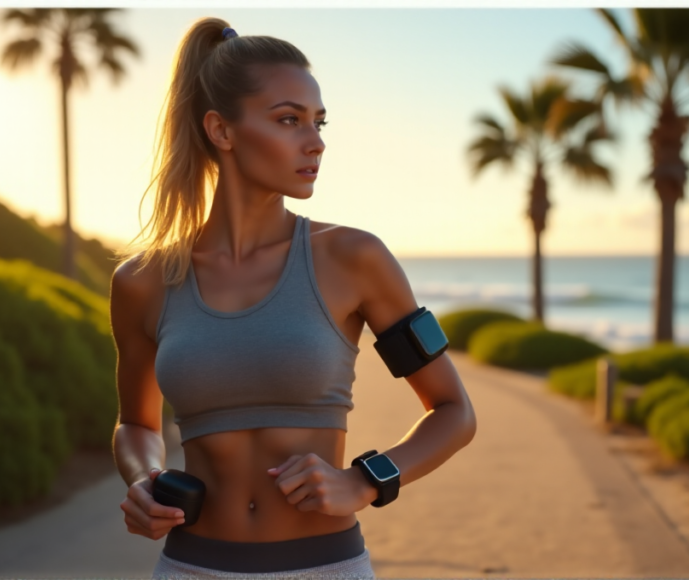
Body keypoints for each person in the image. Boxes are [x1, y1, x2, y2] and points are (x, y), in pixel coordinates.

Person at [109, 17, 477, 580]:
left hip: (324, 568)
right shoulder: (143, 281)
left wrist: (364, 480)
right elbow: (136, 424)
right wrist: (142, 480)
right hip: (189, 568)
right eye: (289, 120)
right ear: (221, 130)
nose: (316, 142)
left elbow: (454, 412)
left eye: (319, 122)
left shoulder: (354, 258)